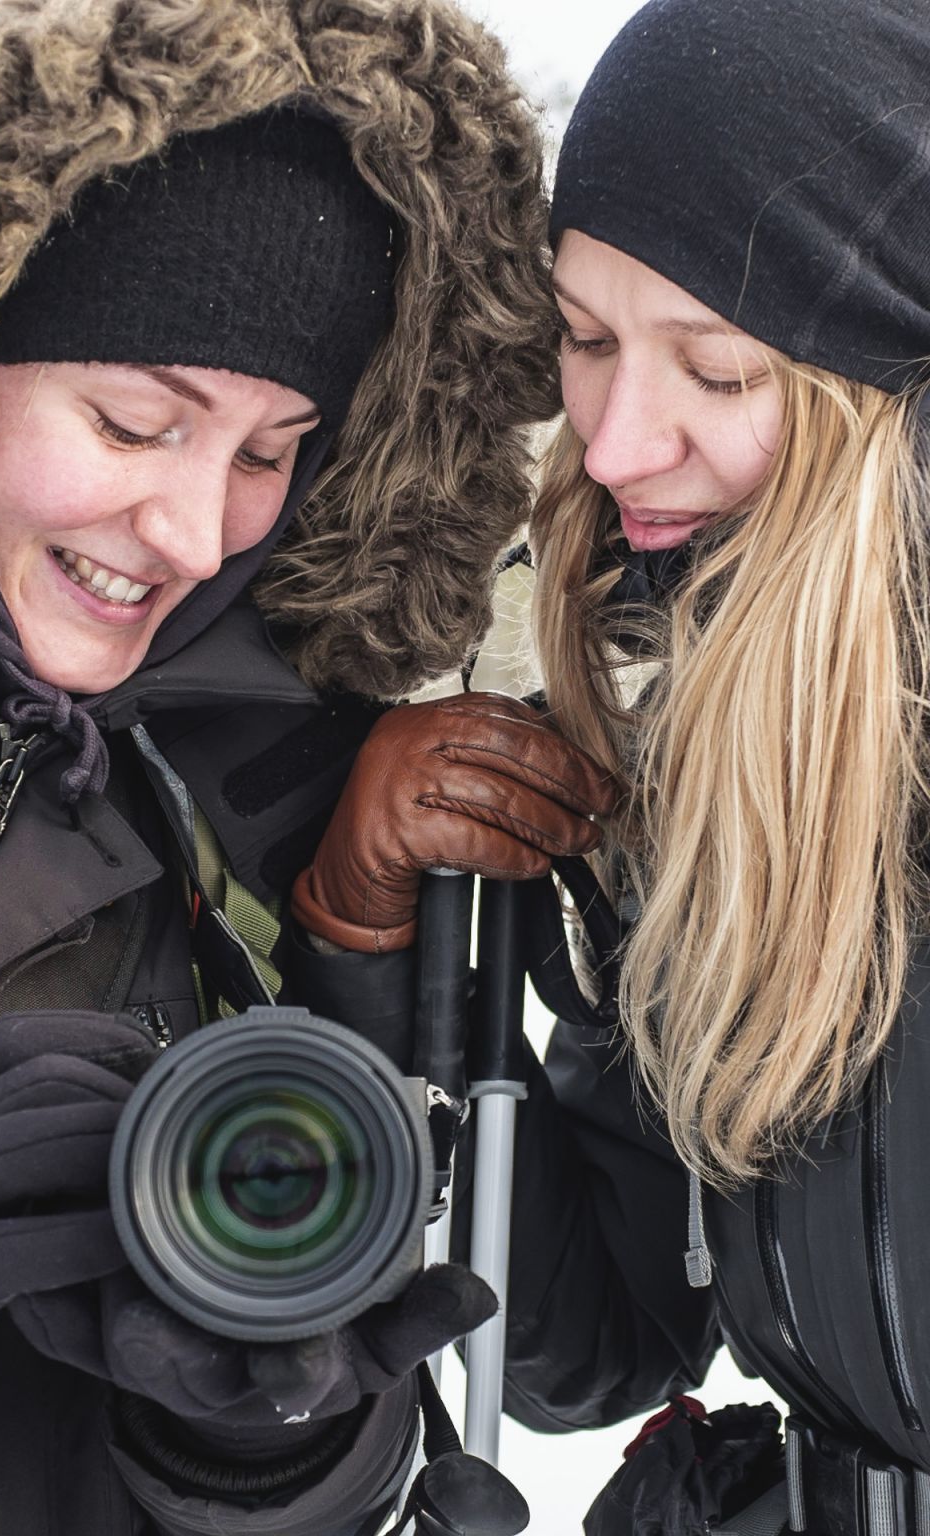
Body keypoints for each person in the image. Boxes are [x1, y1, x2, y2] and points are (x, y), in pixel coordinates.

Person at [0, 1, 585, 1531]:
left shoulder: (237, 775)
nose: (197, 531)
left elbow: (523, 1351)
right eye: (136, 422)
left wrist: (261, 1442)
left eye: (270, 453)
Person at [293, 1, 930, 1530]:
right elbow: (591, 1346)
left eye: (715, 369)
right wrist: (374, 953)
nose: (618, 440)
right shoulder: (714, 761)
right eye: (584, 340)